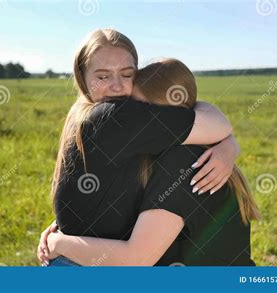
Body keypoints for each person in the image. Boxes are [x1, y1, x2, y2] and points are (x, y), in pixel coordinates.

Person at [36, 29, 241, 266]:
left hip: (82, 258)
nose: (117, 87)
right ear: (82, 77)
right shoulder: (114, 117)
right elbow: (216, 123)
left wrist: (228, 145)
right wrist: (228, 143)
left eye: (126, 74)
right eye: (103, 77)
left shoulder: (84, 112)